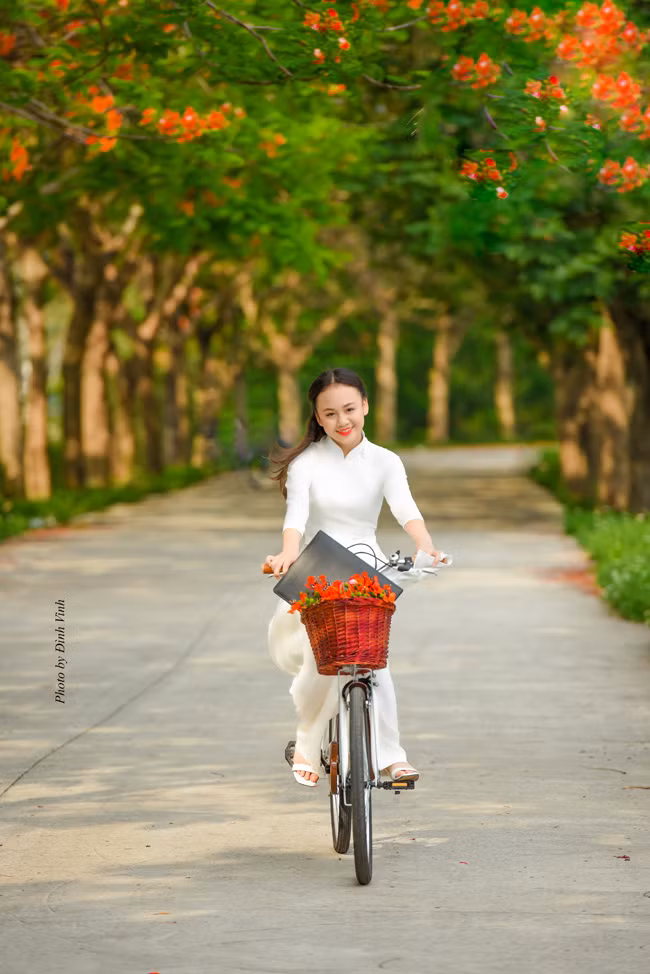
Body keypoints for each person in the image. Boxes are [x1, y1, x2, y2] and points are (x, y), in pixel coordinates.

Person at [265, 367, 442, 787]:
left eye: (349, 409)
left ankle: (391, 757)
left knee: (372, 657)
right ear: (318, 418)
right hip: (317, 565)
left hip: (366, 562)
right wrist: (288, 554)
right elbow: (297, 517)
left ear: (365, 405)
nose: (342, 421)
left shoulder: (385, 461)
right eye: (330, 414)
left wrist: (426, 545)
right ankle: (307, 743)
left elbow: (405, 509)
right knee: (321, 656)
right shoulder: (307, 463)